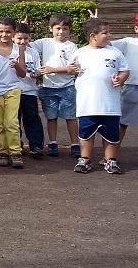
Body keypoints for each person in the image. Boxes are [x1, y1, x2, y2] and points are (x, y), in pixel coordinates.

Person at [66, 18, 129, 173]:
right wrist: (70, 70)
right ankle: (85, 159)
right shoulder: (80, 53)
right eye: (105, 33)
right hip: (88, 104)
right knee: (86, 133)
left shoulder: (115, 52)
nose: (109, 35)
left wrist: (121, 78)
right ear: (93, 35)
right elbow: (70, 69)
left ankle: (111, 160)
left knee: (111, 134)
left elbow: (125, 70)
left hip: (110, 105)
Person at [29, 13, 80, 157]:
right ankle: (52, 143)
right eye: (58, 28)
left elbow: (72, 70)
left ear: (69, 30)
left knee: (70, 117)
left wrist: (53, 69)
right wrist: (24, 27)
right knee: (51, 117)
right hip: (48, 87)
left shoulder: (71, 46)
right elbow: (26, 44)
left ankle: (75, 144)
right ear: (51, 29)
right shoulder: (45, 42)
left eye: (65, 28)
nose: (61, 32)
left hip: (67, 87)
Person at [0, 18, 27, 168]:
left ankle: (15, 152)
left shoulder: (19, 49)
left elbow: (23, 73)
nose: (5, 34)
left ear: (14, 33)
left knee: (11, 123)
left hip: (13, 90)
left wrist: (16, 65)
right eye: (1, 31)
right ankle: (3, 152)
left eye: (8, 32)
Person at [14, 23, 45, 158]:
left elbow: (38, 69)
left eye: (26, 38)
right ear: (13, 37)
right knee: (14, 120)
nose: (23, 41)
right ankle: (16, 145)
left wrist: (36, 73)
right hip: (14, 91)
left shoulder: (33, 52)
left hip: (30, 92)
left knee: (32, 118)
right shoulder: (11, 51)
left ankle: (36, 145)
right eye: (19, 38)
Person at [109, 13, 138, 151]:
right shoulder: (128, 42)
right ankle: (111, 155)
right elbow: (107, 43)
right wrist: (94, 23)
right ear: (136, 28)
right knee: (122, 122)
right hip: (132, 86)